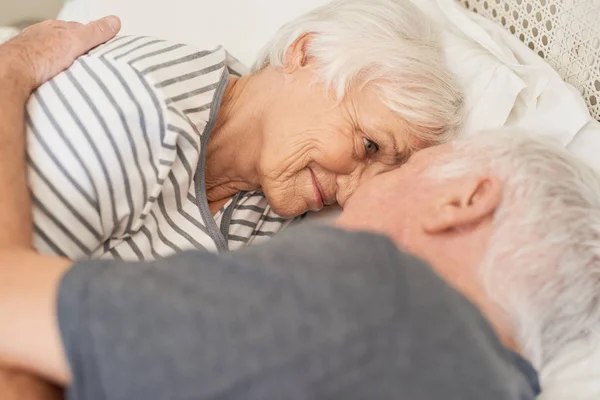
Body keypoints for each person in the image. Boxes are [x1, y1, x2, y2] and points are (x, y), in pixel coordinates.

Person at [7, 124, 600, 399]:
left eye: (405, 163)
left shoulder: (369, 290)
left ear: (461, 200)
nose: (352, 189)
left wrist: (9, 79)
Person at [19, 0, 464, 261]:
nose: (351, 198)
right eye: (368, 145)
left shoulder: (273, 207)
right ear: (304, 54)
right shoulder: (134, 104)